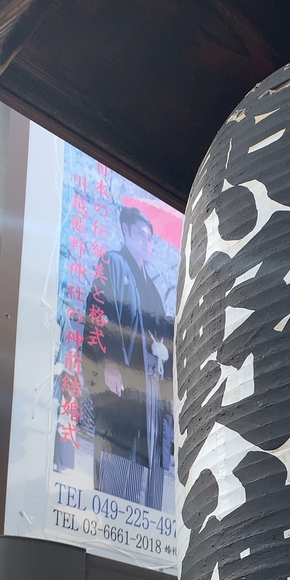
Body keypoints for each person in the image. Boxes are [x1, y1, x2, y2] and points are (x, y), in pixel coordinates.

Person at [81, 206, 174, 508]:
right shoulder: (114, 263)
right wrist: (108, 363)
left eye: (150, 239)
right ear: (125, 231)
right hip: (122, 377)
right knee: (120, 453)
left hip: (151, 388)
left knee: (151, 458)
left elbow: (162, 331)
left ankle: (147, 522)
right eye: (140, 236)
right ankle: (116, 520)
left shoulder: (153, 287)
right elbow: (99, 312)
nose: (146, 244)